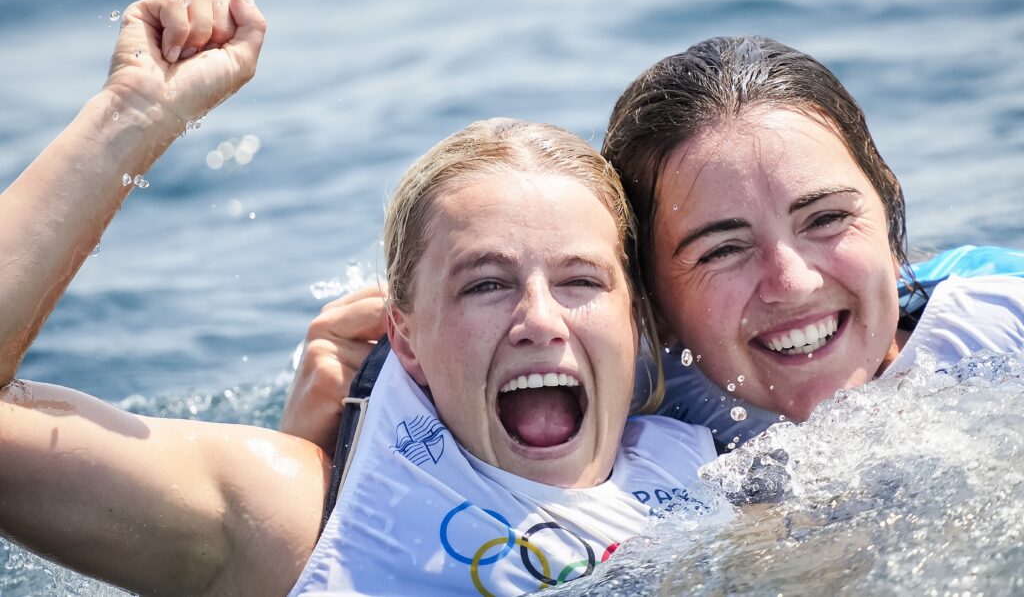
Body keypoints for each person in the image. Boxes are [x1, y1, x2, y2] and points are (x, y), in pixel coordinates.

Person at [0, 0, 716, 596]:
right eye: (485, 284)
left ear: (636, 319)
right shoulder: (296, 520)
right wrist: (131, 114)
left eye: (581, 282)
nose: (539, 320)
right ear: (405, 339)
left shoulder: (729, 475)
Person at [282, 36, 1024, 453]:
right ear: (649, 303)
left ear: (888, 210)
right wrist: (318, 439)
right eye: (720, 249)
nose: (791, 280)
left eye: (827, 219)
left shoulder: (996, 321)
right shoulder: (608, 398)